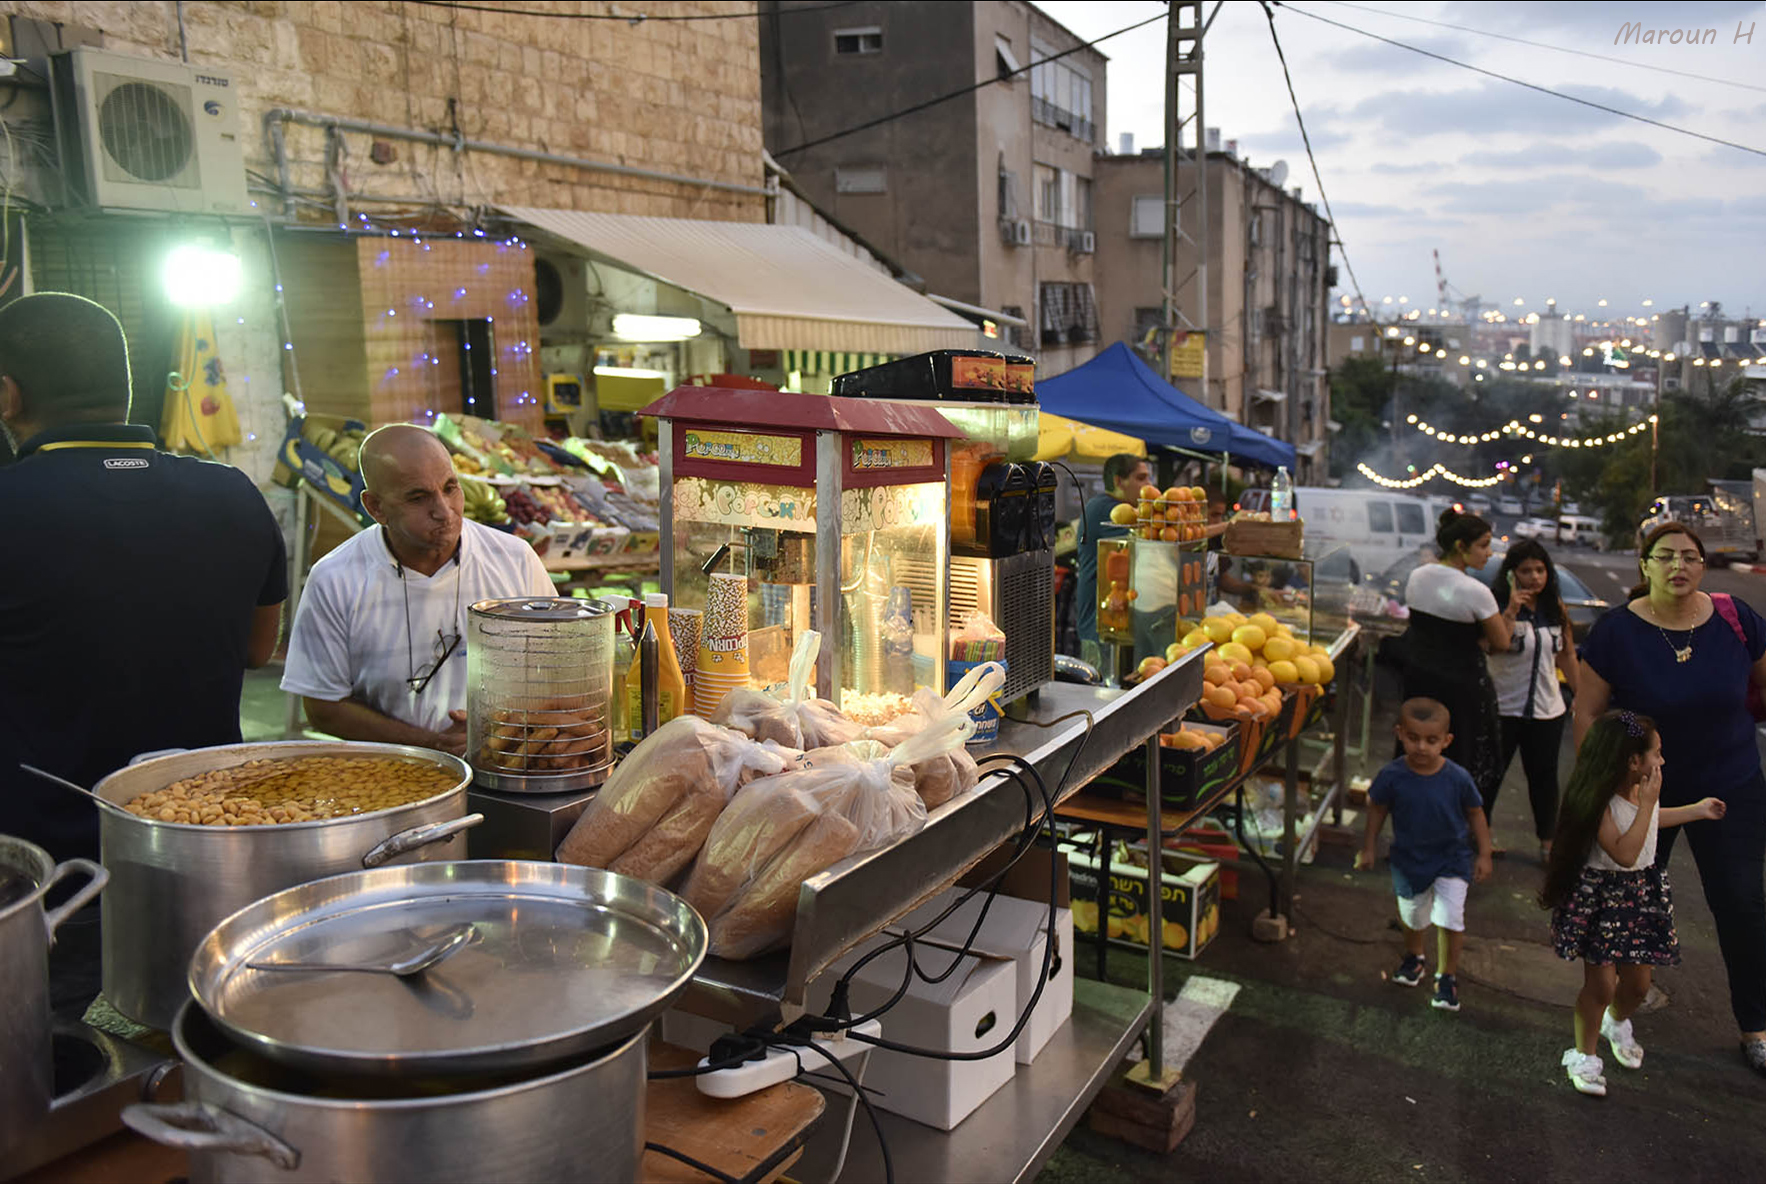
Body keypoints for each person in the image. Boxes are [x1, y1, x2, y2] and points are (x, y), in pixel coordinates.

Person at [0, 292, 286, 1014]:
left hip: (53, 885)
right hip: (208, 865)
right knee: (200, 1055)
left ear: (8, 395)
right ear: (124, 386)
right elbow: (259, 650)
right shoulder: (232, 496)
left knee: (67, 1094)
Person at [1576, 522, 1766, 1075]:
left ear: (1703, 566)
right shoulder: (1616, 632)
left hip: (1730, 783)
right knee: (1628, 908)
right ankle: (1611, 1013)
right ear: (1646, 567)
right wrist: (1597, 790)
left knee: (1742, 902)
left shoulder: (1737, 621)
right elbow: (1587, 713)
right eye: (1665, 557)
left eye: (1689, 556)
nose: (1678, 565)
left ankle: (1756, 1026)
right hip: (1641, 792)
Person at [281, 423, 553, 756]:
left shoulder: (514, 560)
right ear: (375, 508)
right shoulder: (335, 579)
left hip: (510, 763)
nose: (444, 511)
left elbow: (556, 667)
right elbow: (324, 707)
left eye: (450, 488)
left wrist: (502, 730)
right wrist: (431, 745)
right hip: (391, 774)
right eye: (418, 497)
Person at [1544, 710, 1726, 1097]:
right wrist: (1648, 804)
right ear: (1632, 761)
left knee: (1639, 985)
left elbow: (1649, 821)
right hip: (1604, 899)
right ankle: (1584, 1055)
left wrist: (1696, 810)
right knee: (1601, 985)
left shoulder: (1639, 797)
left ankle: (1616, 1023)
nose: (1661, 761)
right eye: (1656, 754)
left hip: (1640, 894)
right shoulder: (1600, 803)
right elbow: (1625, 853)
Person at [1356, 697, 1495, 1012]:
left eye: (1431, 740)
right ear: (1399, 734)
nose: (1421, 747)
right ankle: (1415, 955)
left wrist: (1484, 853)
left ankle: (1447, 976)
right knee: (1413, 917)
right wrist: (1368, 847)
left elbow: (1476, 813)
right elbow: (1376, 809)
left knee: (1450, 918)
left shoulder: (1458, 777)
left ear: (1446, 741)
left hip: (1452, 859)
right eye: (1413, 738)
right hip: (1408, 862)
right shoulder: (1391, 776)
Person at [1399, 508, 1519, 815]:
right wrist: (1512, 611)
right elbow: (1501, 643)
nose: (1490, 553)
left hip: (1419, 681)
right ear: (1460, 546)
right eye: (1483, 545)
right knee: (1462, 758)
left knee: (1415, 754)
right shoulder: (1476, 591)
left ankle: (1413, 820)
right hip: (1462, 690)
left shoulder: (1417, 576)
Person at [1487, 539, 1582, 861]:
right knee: (1490, 774)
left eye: (1540, 570)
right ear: (1512, 574)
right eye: (1526, 571)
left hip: (1546, 709)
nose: (1534, 577)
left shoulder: (1555, 608)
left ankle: (1547, 844)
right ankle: (1480, 840)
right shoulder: (1496, 605)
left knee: (1544, 778)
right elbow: (1493, 646)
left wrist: (1582, 697)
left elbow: (1567, 654)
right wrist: (1511, 609)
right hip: (1503, 707)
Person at [1074, 452, 1152, 658]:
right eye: (1141, 478)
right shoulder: (1106, 509)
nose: (1148, 484)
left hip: (1114, 617)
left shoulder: (1120, 509)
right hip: (1099, 622)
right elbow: (1154, 539)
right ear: (1119, 480)